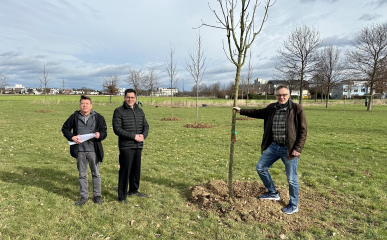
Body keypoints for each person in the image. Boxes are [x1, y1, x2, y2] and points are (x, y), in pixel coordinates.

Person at [233, 85, 307, 214]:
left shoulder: (296, 109)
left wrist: (298, 148)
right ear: (275, 96)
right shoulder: (271, 108)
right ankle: (273, 192)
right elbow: (258, 112)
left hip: (289, 149)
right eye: (279, 95)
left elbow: (303, 130)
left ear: (289, 95)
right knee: (260, 167)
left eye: (284, 95)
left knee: (291, 178)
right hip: (274, 146)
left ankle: (294, 205)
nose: (282, 97)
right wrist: (241, 111)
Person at [62, 95, 107, 206]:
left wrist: (99, 135)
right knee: (82, 174)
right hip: (80, 150)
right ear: (80, 105)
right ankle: (84, 196)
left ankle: (97, 196)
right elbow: (65, 128)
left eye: (87, 104)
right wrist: (72, 137)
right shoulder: (74, 117)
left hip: (93, 150)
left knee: (95, 173)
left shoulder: (98, 117)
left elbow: (104, 132)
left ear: (91, 105)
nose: (85, 105)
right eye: (83, 103)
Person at [113, 89, 149, 203]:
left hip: (138, 145)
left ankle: (133, 189)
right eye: (128, 97)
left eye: (132, 97)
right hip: (126, 146)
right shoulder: (119, 111)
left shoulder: (140, 111)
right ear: (124, 98)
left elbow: (146, 126)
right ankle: (122, 196)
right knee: (125, 171)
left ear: (135, 98)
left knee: (136, 170)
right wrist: (134, 136)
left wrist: (143, 135)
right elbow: (117, 129)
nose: (130, 99)